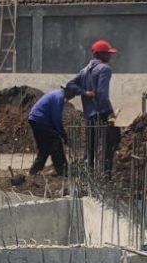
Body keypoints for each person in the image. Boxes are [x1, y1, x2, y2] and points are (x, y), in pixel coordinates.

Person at [69, 40, 118, 173]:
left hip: (89, 115)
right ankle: (106, 174)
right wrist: (110, 112)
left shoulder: (84, 70)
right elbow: (102, 94)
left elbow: (70, 85)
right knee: (109, 145)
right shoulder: (105, 69)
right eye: (108, 54)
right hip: (100, 114)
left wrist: (85, 93)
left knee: (91, 147)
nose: (110, 56)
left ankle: (89, 173)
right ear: (100, 54)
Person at [28, 85, 79, 176]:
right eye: (73, 95)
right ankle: (62, 170)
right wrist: (63, 135)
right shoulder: (59, 97)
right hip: (40, 120)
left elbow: (53, 119)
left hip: (36, 119)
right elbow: (56, 119)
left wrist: (61, 133)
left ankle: (34, 171)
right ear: (68, 92)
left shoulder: (58, 95)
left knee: (45, 148)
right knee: (56, 142)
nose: (72, 97)